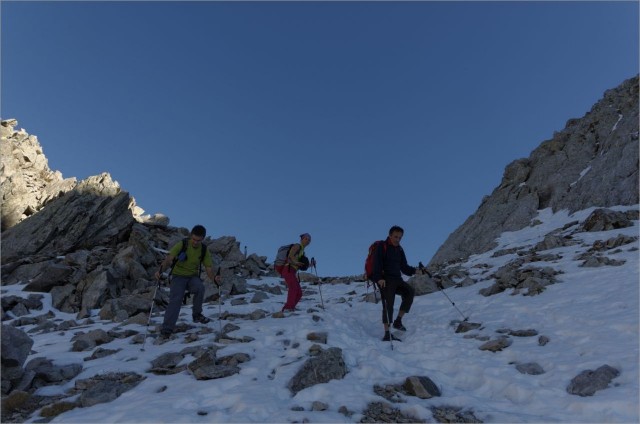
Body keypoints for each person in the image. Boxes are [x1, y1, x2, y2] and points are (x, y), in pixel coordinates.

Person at [154, 225, 221, 337]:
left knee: (200, 288)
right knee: (176, 299)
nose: (195, 242)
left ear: (202, 239)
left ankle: (197, 315)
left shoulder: (204, 250)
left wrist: (214, 278)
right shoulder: (182, 244)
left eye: (198, 240)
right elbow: (169, 259)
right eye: (193, 239)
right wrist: (160, 271)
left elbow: (208, 269)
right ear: (191, 236)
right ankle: (167, 329)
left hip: (192, 277)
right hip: (178, 276)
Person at [370, 225, 422, 342]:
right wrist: (379, 278)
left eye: (400, 237)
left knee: (409, 292)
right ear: (390, 235)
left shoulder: (400, 249)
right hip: (385, 280)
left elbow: (403, 267)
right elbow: (376, 264)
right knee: (389, 304)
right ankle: (387, 333)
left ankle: (398, 321)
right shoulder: (381, 246)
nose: (397, 239)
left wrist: (415, 271)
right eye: (395, 237)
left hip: (397, 279)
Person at [276, 233, 315, 312]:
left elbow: (302, 265)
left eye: (309, 240)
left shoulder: (302, 251)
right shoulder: (297, 246)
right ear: (301, 239)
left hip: (292, 271)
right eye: (306, 239)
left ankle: (291, 307)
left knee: (299, 293)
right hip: (288, 269)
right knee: (293, 288)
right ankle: (288, 308)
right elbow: (290, 256)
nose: (307, 241)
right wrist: (296, 262)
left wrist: (311, 265)